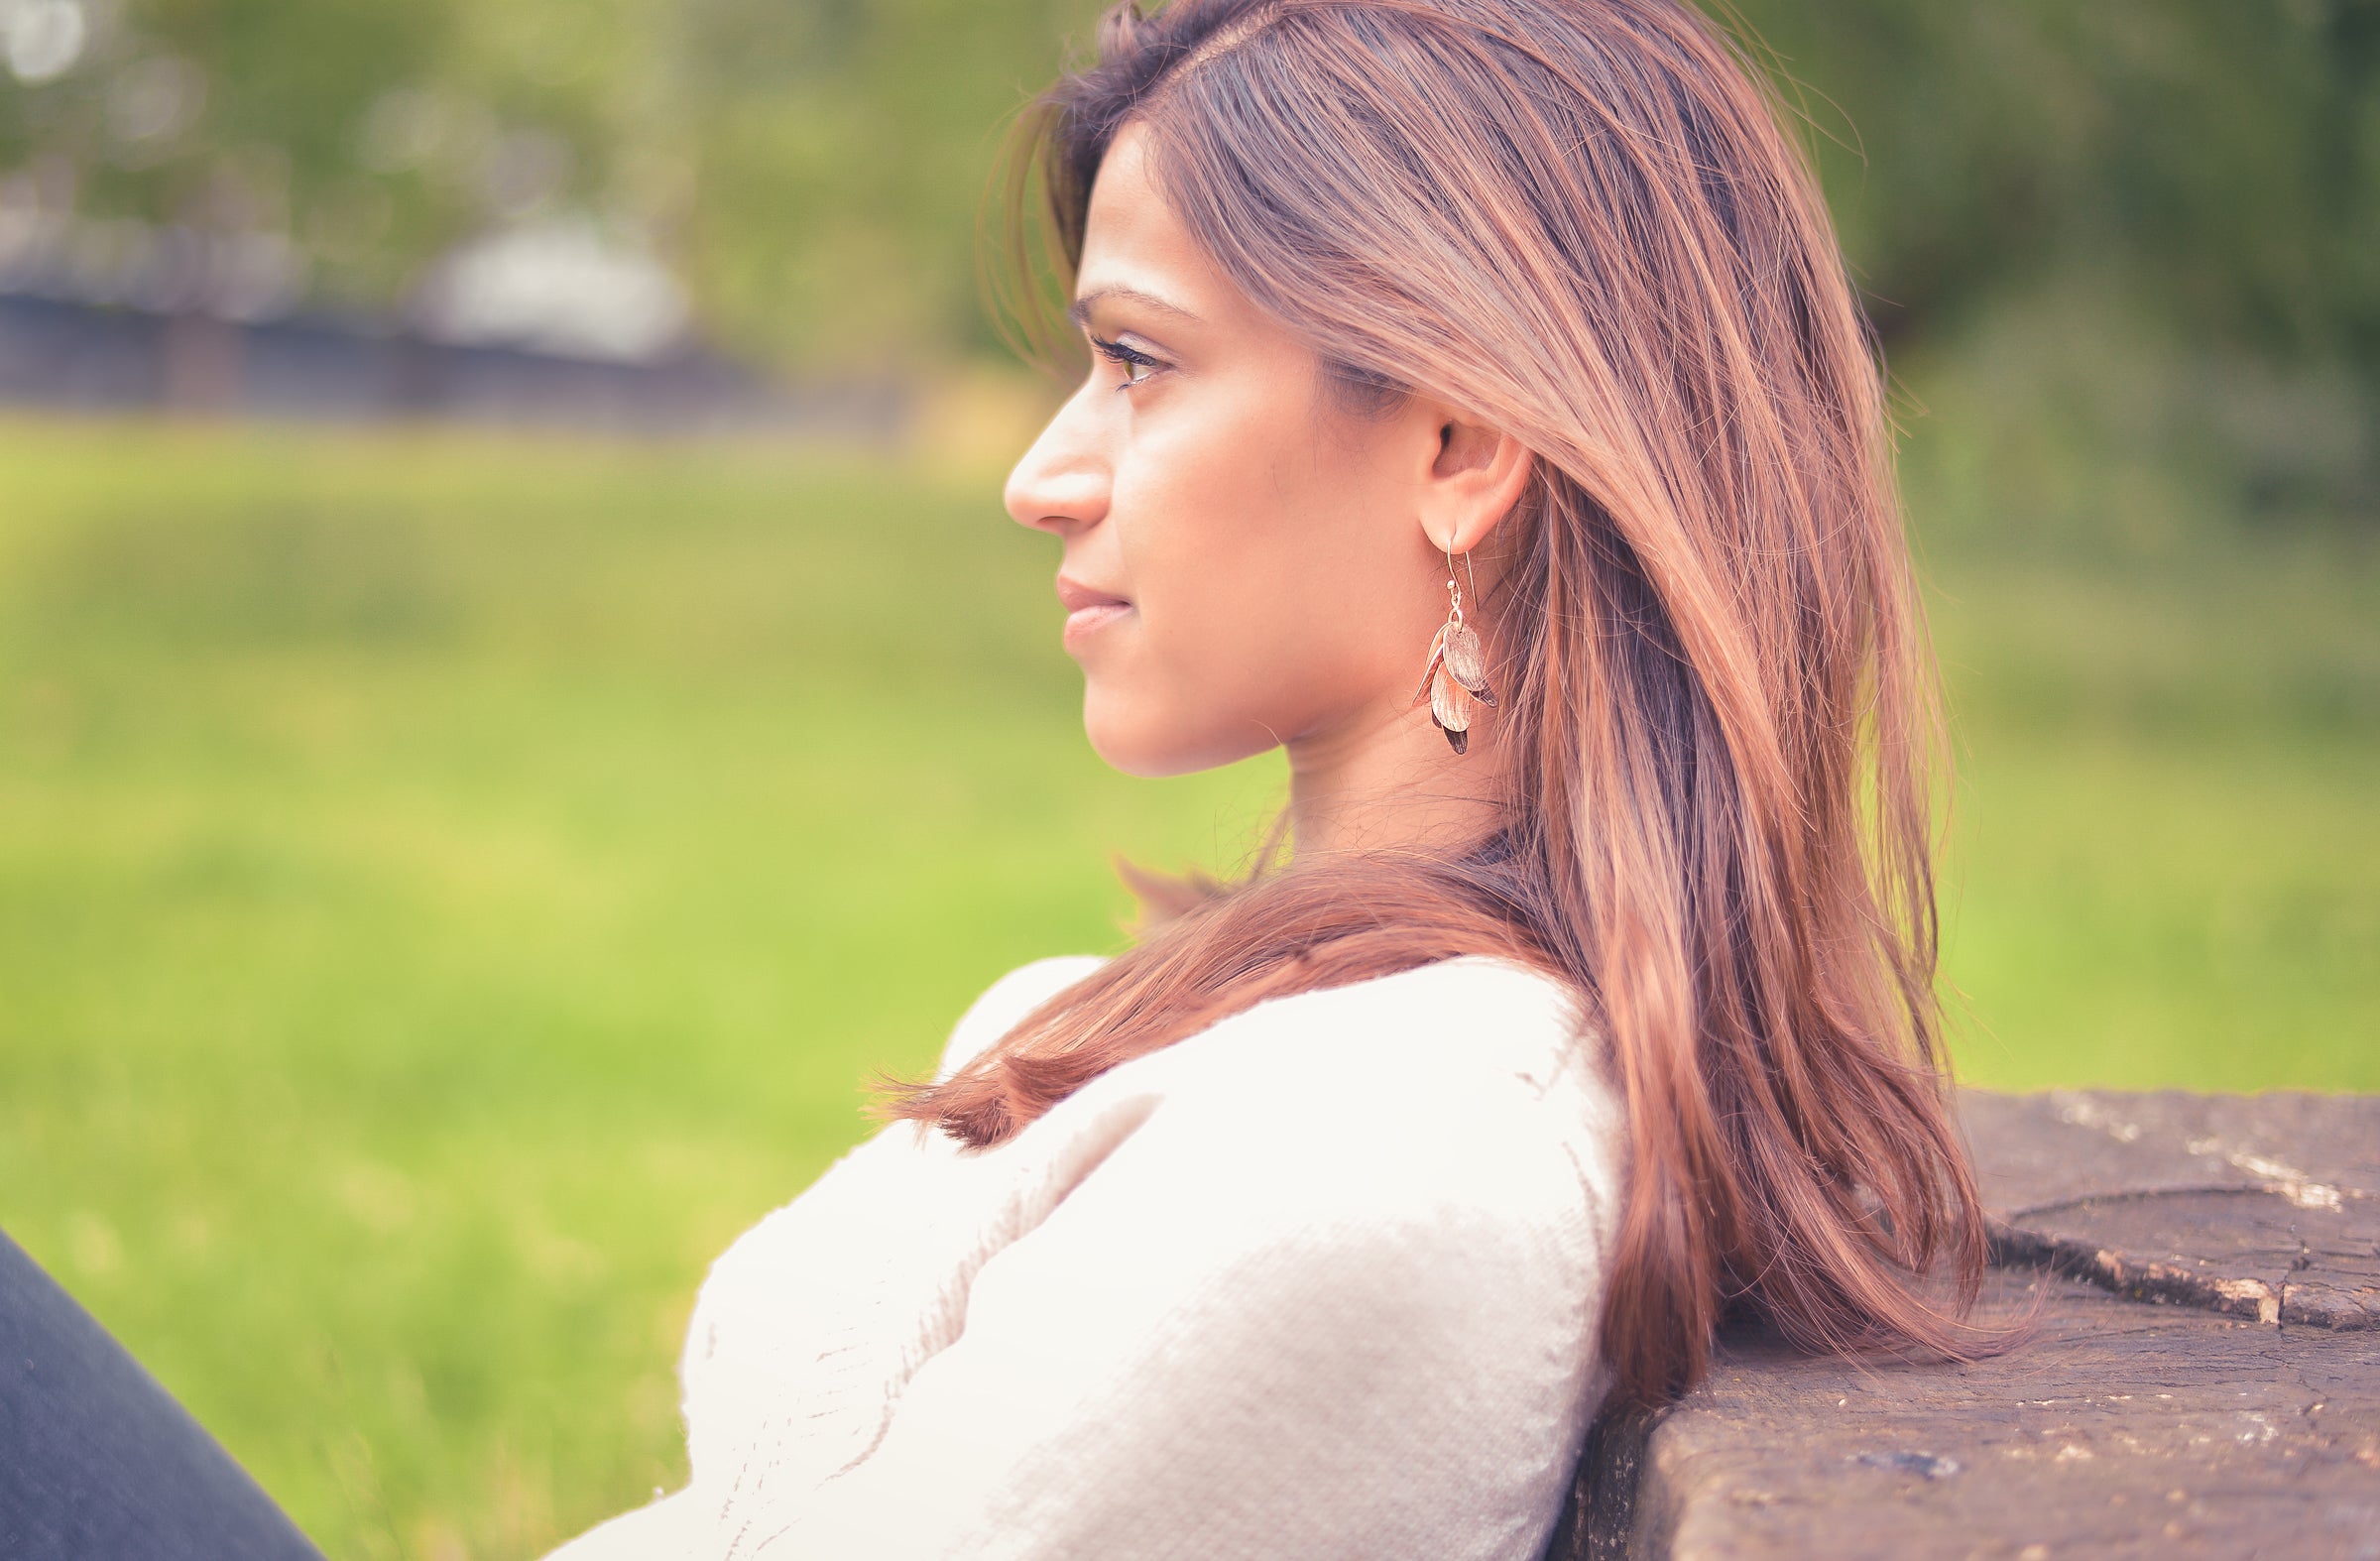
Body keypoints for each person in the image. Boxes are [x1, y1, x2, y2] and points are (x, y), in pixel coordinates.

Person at [536, 0, 2002, 1555]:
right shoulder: (1353, 1056)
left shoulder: (1392, 1160)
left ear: (1457, 445)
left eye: (1139, 361)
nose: (1041, 477)